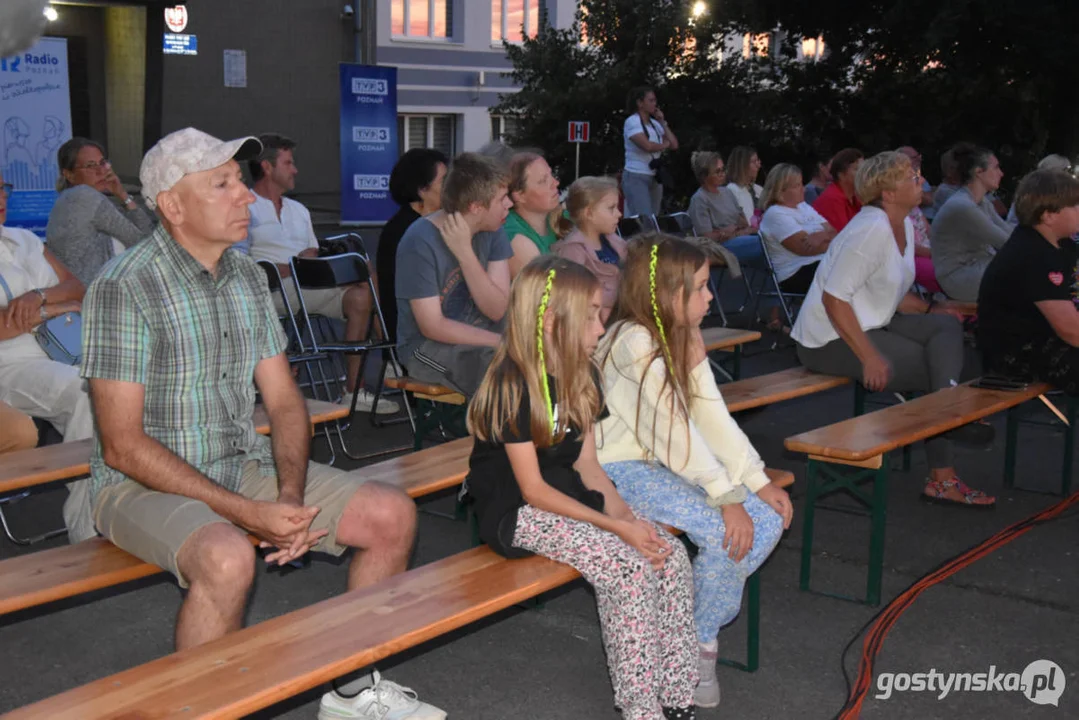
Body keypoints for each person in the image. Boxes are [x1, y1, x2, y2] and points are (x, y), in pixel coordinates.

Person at [80, 128, 439, 719]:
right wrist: (250, 515)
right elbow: (121, 447)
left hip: (236, 463)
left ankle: (352, 690)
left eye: (241, 181)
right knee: (227, 556)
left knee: (390, 514)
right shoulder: (124, 288)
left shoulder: (246, 277)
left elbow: (283, 400)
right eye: (222, 184)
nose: (244, 196)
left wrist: (291, 497)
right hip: (135, 485)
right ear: (172, 206)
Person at [466, 255, 700, 720]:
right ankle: (640, 709)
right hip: (517, 513)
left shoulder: (581, 371)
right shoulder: (512, 383)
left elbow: (589, 466)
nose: (602, 324)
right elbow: (531, 490)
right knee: (627, 570)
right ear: (551, 321)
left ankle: (676, 698)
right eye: (592, 314)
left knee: (667, 555)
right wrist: (615, 532)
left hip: (567, 496)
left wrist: (632, 524)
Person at [595, 235, 792, 709]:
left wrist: (757, 480)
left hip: (661, 464)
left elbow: (710, 416)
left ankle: (694, 637)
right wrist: (727, 497)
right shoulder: (634, 341)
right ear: (667, 293)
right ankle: (692, 647)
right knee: (730, 531)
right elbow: (672, 434)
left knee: (766, 519)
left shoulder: (676, 333)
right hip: (620, 470)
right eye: (701, 287)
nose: (711, 298)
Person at [791, 151, 996, 507]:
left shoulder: (900, 223)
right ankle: (943, 472)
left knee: (947, 330)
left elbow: (893, 292)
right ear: (887, 192)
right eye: (911, 177)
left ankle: (947, 416)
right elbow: (834, 299)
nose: (921, 181)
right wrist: (869, 358)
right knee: (940, 365)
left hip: (875, 323)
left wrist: (935, 308)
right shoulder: (871, 228)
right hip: (828, 339)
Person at [246, 133, 397, 414]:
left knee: (363, 293)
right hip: (270, 293)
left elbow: (313, 254)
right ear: (267, 167)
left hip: (309, 288)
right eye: (288, 163)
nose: (296, 170)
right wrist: (291, 266)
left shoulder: (299, 210)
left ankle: (354, 391)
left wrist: (308, 262)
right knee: (365, 274)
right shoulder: (244, 207)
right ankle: (394, 357)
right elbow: (238, 262)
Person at [0, 168, 95, 541]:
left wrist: (36, 297)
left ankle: (129, 503)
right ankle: (87, 529)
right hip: (11, 363)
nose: (2, 196)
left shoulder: (23, 239)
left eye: (3, 187)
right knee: (85, 392)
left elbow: (78, 287)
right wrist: (51, 308)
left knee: (129, 376)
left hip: (63, 348)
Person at [394, 152, 512, 397]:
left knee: (549, 350)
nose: (509, 204)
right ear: (476, 207)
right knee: (501, 372)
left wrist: (465, 254)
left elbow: (497, 309)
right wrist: (501, 343)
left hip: (486, 338)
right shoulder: (419, 241)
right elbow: (432, 326)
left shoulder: (493, 228)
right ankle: (505, 434)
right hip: (427, 347)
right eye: (502, 199)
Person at [977, 169, 1079, 393]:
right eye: (1074, 205)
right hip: (1016, 355)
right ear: (1048, 215)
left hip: (1046, 342)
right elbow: (1071, 330)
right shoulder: (1033, 254)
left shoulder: (1061, 246)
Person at [46, 137, 155, 285]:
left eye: (102, 163)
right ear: (69, 175)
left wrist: (122, 195)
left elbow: (145, 238)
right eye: (90, 166)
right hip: (91, 297)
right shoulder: (84, 196)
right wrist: (123, 195)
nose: (100, 171)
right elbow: (145, 245)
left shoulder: (69, 199)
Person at [376, 148, 448, 348]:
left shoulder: (430, 224)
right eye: (445, 181)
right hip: (415, 340)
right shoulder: (407, 233)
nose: (452, 188)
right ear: (422, 189)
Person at [930, 143, 1012, 302]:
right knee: (1025, 270)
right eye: (996, 168)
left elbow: (1008, 232)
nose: (1001, 173)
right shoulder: (962, 206)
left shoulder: (981, 202)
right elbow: (1005, 242)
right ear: (979, 172)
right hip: (959, 277)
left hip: (977, 266)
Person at [552, 176, 628, 321]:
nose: (619, 214)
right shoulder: (573, 250)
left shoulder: (616, 242)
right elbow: (576, 294)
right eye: (611, 208)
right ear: (589, 213)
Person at [758, 163, 837, 295]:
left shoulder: (803, 207)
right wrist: (833, 241)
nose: (803, 189)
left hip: (821, 262)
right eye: (797, 185)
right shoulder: (775, 214)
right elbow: (805, 249)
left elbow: (834, 231)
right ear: (780, 190)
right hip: (797, 272)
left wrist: (822, 236)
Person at [686, 151, 755, 267]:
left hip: (739, 236)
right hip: (721, 247)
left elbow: (743, 221)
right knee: (763, 243)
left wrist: (734, 230)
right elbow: (706, 238)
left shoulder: (727, 192)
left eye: (723, 169)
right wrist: (728, 232)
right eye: (718, 171)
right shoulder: (699, 199)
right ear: (704, 176)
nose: (723, 174)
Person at [504, 151, 564, 277]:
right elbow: (543, 292)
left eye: (551, 174)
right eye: (543, 181)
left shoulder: (561, 216)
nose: (555, 183)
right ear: (519, 195)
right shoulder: (514, 237)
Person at [623, 86, 679, 218]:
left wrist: (662, 122)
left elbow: (674, 144)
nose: (655, 104)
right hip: (636, 175)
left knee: (654, 217)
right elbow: (647, 146)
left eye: (655, 100)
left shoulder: (655, 123)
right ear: (640, 103)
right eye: (651, 100)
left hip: (654, 175)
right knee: (644, 218)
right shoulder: (632, 122)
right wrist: (664, 144)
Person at [895, 147, 941, 293]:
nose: (922, 181)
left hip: (931, 251)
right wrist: (935, 253)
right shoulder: (894, 211)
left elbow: (929, 231)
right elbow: (909, 247)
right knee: (946, 274)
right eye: (914, 178)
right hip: (914, 257)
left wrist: (942, 250)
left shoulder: (913, 207)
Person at [1006, 154, 1072, 224]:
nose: (1068, 175)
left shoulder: (1057, 193)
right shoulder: (1033, 193)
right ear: (1053, 171)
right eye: (1065, 170)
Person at [811, 148, 864, 232]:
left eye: (863, 168)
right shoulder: (832, 199)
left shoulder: (854, 197)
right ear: (841, 175)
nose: (863, 173)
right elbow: (843, 237)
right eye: (857, 169)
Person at [725, 146, 764, 226]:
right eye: (754, 162)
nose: (758, 166)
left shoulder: (758, 189)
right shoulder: (732, 190)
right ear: (742, 166)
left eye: (758, 161)